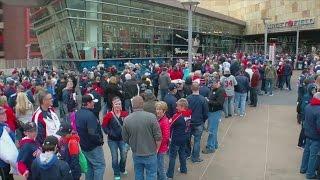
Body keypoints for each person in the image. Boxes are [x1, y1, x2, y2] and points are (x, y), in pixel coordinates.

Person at [122, 96, 162, 180]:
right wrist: (157, 148)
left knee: (138, 174)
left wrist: (133, 144)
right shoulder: (151, 117)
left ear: (132, 105)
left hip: (136, 153)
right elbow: (158, 136)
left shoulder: (127, 119)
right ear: (142, 104)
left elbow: (125, 138)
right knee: (151, 174)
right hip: (151, 152)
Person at [76, 94, 105, 180]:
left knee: (89, 168)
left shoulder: (78, 113)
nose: (94, 104)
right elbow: (92, 133)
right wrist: (100, 141)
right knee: (100, 166)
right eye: (92, 102)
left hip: (83, 145)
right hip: (93, 147)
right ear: (88, 103)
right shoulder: (90, 116)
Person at [102, 97, 129, 180]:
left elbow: (129, 125)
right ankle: (116, 173)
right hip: (112, 140)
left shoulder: (125, 114)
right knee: (114, 157)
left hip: (122, 139)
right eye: (116, 104)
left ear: (121, 105)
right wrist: (109, 132)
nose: (118, 105)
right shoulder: (109, 115)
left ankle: (122, 168)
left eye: (119, 104)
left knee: (124, 156)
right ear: (113, 105)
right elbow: (104, 126)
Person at [166, 98, 191, 179]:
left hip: (176, 139)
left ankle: (169, 175)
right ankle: (184, 169)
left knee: (172, 156)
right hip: (185, 137)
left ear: (182, 106)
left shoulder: (178, 116)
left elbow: (170, 125)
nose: (176, 108)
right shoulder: (188, 114)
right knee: (182, 154)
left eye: (178, 106)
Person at [186, 82, 209, 163]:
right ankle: (195, 158)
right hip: (199, 122)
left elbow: (185, 111)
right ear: (199, 88)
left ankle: (187, 154)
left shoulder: (188, 99)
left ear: (191, 89)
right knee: (197, 140)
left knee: (187, 140)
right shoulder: (203, 99)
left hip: (189, 123)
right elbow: (206, 112)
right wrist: (203, 120)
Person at [300, 92, 320, 179]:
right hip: (316, 136)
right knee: (314, 155)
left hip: (308, 133)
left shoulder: (308, 106)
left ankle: (303, 168)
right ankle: (310, 174)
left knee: (306, 152)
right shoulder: (319, 110)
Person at [202, 78, 225, 154]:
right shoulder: (213, 89)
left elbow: (220, 103)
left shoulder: (221, 91)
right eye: (211, 84)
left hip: (215, 112)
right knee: (213, 129)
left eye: (213, 84)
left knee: (212, 130)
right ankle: (214, 144)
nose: (212, 85)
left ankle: (210, 147)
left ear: (218, 83)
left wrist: (209, 101)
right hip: (211, 111)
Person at [155, 101, 170, 180]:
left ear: (164, 111)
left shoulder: (164, 121)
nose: (157, 111)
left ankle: (164, 178)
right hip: (158, 147)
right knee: (158, 164)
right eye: (157, 109)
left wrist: (158, 146)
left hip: (160, 148)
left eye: (160, 109)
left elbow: (166, 137)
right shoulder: (159, 119)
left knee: (161, 165)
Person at [0, 107, 14, 180]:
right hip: (2, 163)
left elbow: (13, 140)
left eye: (4, 113)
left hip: (8, 160)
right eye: (2, 114)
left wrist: (9, 133)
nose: (5, 115)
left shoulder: (5, 125)